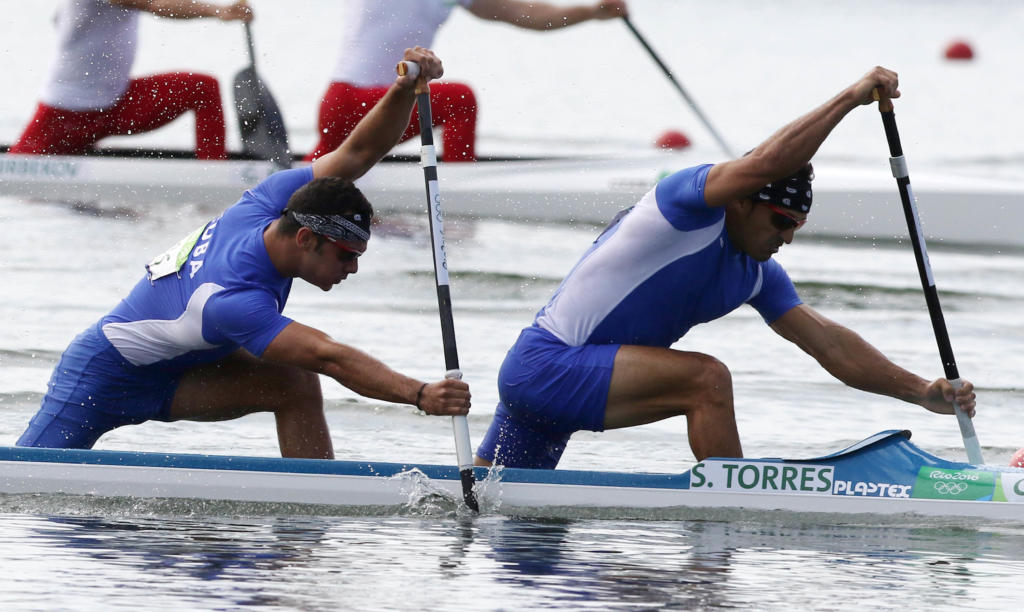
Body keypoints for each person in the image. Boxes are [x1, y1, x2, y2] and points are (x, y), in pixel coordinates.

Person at [474, 66, 978, 469]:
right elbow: (764, 165)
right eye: (781, 220)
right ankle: (734, 509)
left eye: (797, 227)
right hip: (547, 365)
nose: (787, 238)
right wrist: (849, 99)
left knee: (500, 518)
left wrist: (923, 392)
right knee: (707, 379)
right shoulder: (683, 206)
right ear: (740, 202)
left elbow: (829, 344)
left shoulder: (757, 273)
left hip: (552, 392)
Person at [16, 47, 471, 459]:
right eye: (345, 255)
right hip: (98, 380)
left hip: (178, 370)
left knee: (292, 383)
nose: (353, 268)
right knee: (21, 481)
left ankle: (310, 512)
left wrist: (403, 90)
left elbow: (359, 152)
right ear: (306, 240)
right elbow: (329, 356)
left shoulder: (273, 200)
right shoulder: (234, 296)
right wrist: (419, 393)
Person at [304, 0, 629, 163]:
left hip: (357, 107)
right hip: (352, 103)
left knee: (310, 176)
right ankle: (457, 185)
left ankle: (298, 171)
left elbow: (525, 13)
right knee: (461, 99)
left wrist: (591, 12)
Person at [9, 0, 253, 160]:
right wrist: (219, 11)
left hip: (117, 104)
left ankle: (213, 176)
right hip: (64, 115)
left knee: (203, 88)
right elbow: (157, 4)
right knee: (16, 173)